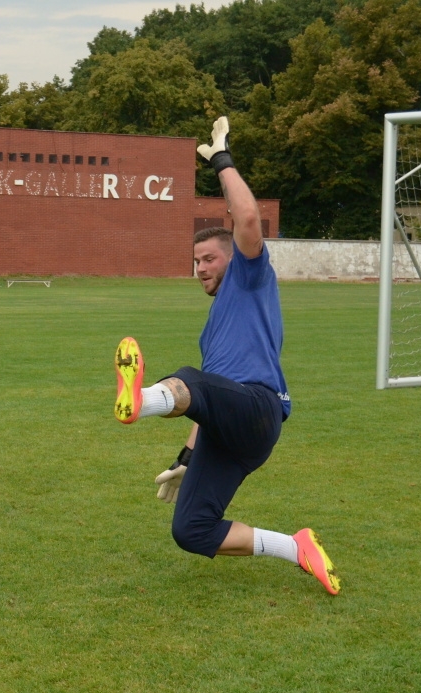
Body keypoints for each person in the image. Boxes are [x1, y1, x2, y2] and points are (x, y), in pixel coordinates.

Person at [113, 117, 341, 596]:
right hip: (228, 426)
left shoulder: (251, 276)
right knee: (191, 529)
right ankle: (296, 547)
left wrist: (221, 158)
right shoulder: (212, 328)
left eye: (208, 259)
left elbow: (250, 219)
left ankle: (143, 401)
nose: (200, 269)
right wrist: (186, 460)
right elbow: (206, 402)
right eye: (195, 262)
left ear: (232, 257)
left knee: (191, 381)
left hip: (258, 408)